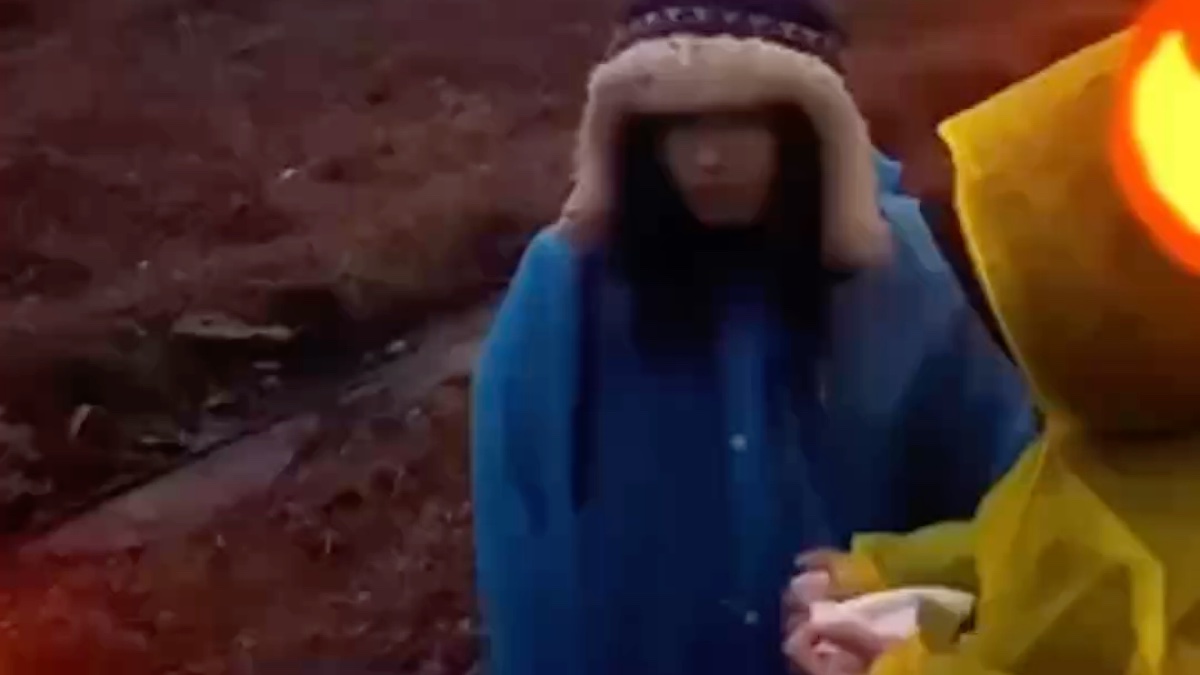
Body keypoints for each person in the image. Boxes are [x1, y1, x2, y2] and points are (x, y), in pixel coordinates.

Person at [471, 1, 1035, 674]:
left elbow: (1013, 503)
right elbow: (521, 536)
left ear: (807, 131)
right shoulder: (569, 288)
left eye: (742, 122)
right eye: (680, 126)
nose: (708, 158)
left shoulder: (905, 276)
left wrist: (910, 598)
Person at [784, 30, 1200, 675]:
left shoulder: (1150, 545)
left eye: (998, 281)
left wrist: (893, 668)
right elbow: (1013, 541)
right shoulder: (1102, 442)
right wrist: (885, 570)